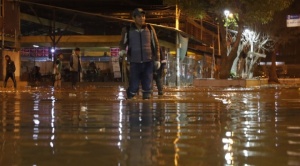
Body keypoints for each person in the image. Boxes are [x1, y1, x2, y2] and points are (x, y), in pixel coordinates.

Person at [119, 8, 160, 100]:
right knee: (134, 86)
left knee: (147, 86)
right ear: (134, 18)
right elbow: (122, 42)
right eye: (139, 16)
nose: (142, 18)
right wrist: (122, 50)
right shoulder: (127, 29)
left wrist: (157, 59)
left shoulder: (150, 28)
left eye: (143, 16)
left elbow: (156, 44)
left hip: (148, 62)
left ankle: (146, 109)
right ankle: (130, 99)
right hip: (134, 62)